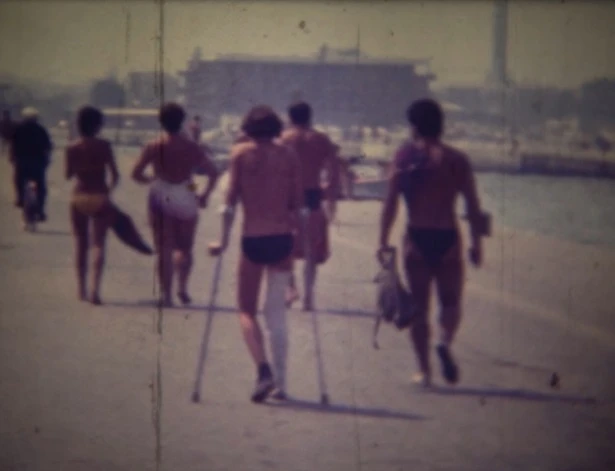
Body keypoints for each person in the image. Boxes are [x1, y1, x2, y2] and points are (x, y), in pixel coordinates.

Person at [378, 98, 487, 388]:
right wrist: (477, 243)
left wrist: (382, 240)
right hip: (448, 238)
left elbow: (390, 203)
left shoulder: (404, 158)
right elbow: (473, 206)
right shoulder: (457, 160)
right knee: (450, 302)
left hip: (417, 239)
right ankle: (443, 342)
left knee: (419, 308)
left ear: (414, 126)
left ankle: (423, 371)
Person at [209, 105, 304, 403]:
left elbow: (229, 204)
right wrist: (300, 242)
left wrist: (222, 241)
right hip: (282, 238)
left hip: (253, 239)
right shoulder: (289, 155)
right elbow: (297, 204)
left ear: (248, 128)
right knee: (276, 314)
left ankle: (263, 370)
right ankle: (282, 384)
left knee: (246, 311)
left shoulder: (240, 154)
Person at [132, 103, 219, 307]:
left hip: (161, 191)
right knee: (185, 247)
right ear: (182, 121)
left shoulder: (154, 146)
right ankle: (182, 288)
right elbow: (213, 172)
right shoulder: (192, 147)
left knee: (164, 249)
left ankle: (167, 296)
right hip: (186, 189)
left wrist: (151, 179)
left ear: (161, 122)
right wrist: (205, 195)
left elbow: (135, 174)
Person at [279, 101, 340, 311]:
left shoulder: (284, 139)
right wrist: (331, 197)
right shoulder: (321, 139)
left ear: (290, 117)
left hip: (288, 199)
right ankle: (308, 297)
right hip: (312, 197)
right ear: (310, 116)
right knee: (311, 250)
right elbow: (334, 171)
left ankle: (291, 287)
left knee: (286, 247)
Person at [65, 106, 120, 305]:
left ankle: (81, 289)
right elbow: (115, 175)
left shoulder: (72, 147)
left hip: (79, 195)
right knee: (99, 244)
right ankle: (95, 290)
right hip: (100, 195)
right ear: (98, 125)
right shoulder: (104, 145)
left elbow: (68, 175)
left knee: (81, 244)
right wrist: (108, 192)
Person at [10, 107, 53, 220]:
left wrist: (12, 157)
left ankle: (20, 199)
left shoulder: (18, 129)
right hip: (38, 162)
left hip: (22, 161)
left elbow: (13, 145)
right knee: (41, 187)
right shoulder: (41, 130)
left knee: (18, 180)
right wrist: (47, 159)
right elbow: (48, 146)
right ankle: (40, 210)